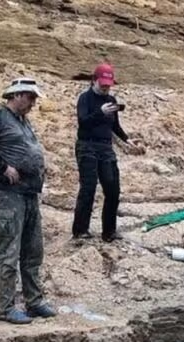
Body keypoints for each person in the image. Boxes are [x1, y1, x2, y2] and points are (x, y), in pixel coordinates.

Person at [0, 77, 56, 324]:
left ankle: (34, 301)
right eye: (30, 98)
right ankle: (6, 308)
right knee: (9, 252)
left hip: (28, 194)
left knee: (32, 250)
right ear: (17, 95)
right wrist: (2, 167)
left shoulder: (22, 121)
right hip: (9, 195)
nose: (33, 103)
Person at [71, 63, 143, 243]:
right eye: (102, 84)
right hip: (87, 145)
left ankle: (109, 231)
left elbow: (115, 126)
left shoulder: (110, 100)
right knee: (88, 187)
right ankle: (80, 230)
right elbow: (83, 122)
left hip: (105, 147)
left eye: (108, 85)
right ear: (94, 81)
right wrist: (99, 112)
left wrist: (127, 139)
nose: (105, 88)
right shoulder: (84, 98)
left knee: (113, 188)